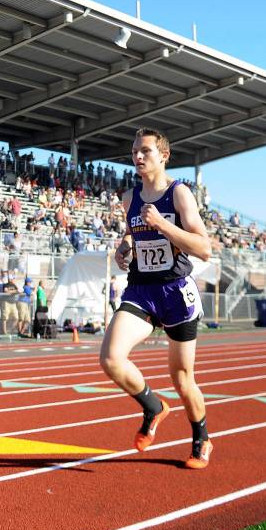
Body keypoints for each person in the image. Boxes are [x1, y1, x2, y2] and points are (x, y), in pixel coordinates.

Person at [100, 128, 213, 470]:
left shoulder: (179, 194)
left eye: (145, 151)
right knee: (111, 358)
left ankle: (201, 436)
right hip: (141, 290)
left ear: (164, 156)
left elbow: (204, 248)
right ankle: (152, 406)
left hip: (176, 291)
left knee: (182, 379)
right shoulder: (128, 197)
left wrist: (165, 226)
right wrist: (124, 248)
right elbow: (132, 235)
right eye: (134, 151)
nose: (137, 156)